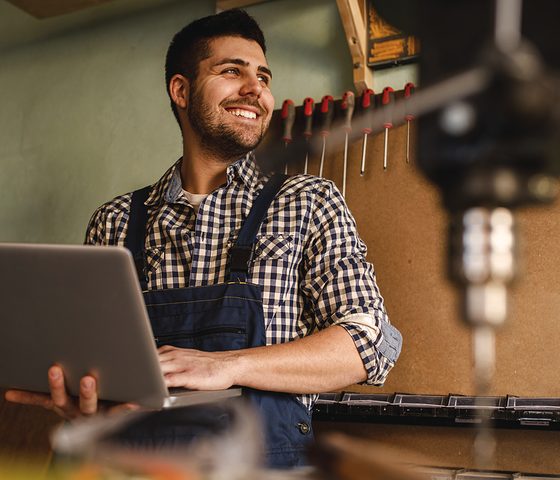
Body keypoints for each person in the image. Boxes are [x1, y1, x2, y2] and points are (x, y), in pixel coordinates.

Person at [5, 9, 402, 468]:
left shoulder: (307, 202)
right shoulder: (113, 222)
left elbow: (368, 341)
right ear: (181, 90)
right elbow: (90, 360)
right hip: (131, 469)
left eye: (263, 76)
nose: (256, 89)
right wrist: (83, 397)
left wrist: (226, 365)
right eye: (232, 71)